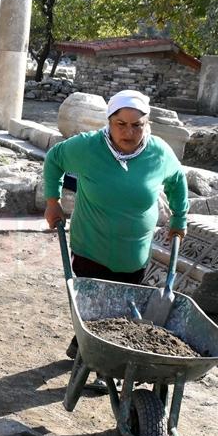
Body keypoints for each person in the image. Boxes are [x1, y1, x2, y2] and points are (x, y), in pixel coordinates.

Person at [43, 90, 189, 373]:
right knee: (95, 306)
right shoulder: (88, 148)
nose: (129, 132)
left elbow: (176, 179)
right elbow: (54, 159)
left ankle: (91, 349)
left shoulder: (158, 153)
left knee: (122, 307)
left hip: (134, 252)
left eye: (137, 125)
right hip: (91, 246)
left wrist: (180, 218)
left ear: (147, 125)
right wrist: (52, 201)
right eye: (121, 124)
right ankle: (92, 353)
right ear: (109, 122)